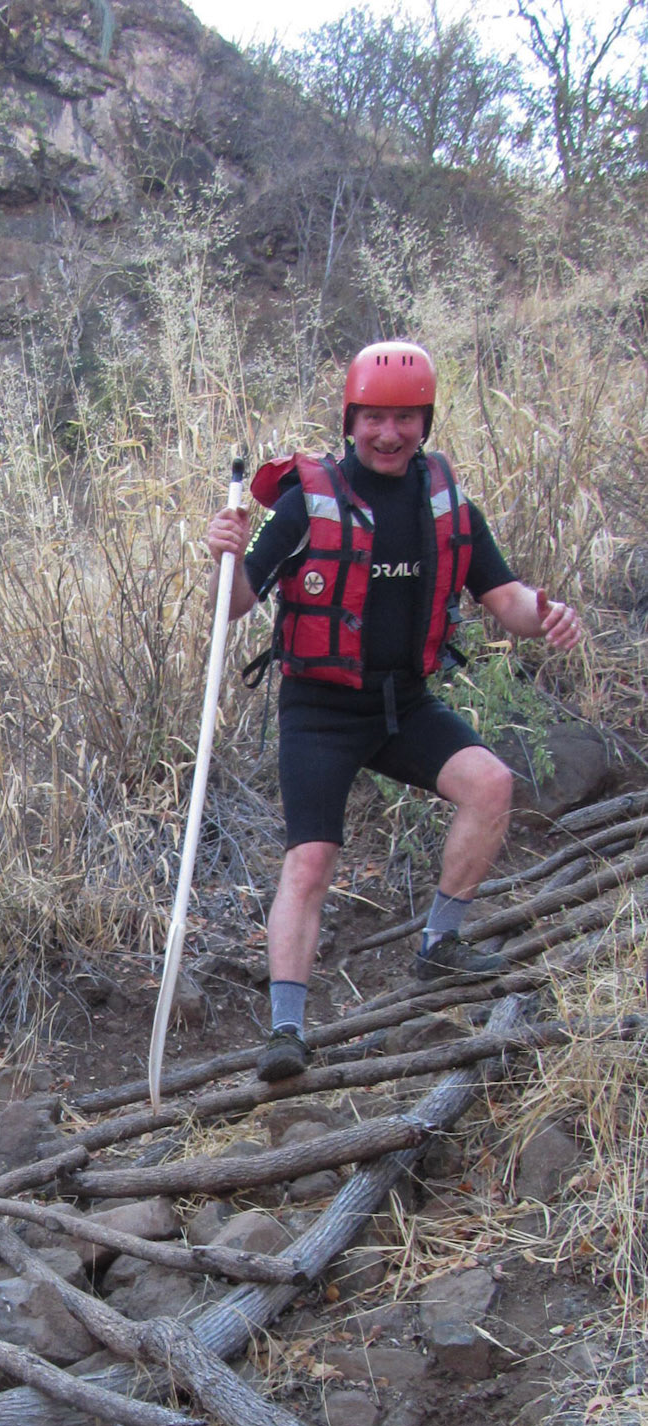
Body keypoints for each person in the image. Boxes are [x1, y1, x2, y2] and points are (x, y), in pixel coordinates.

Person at [204, 339, 583, 1083]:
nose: (388, 433)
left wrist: (549, 613)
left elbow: (507, 604)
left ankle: (438, 947)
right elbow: (236, 605)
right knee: (310, 861)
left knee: (490, 784)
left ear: (425, 423)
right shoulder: (306, 505)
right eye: (374, 417)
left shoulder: (445, 505)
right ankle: (286, 1030)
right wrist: (221, 555)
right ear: (350, 420)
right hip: (318, 710)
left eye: (405, 419)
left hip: (402, 704)